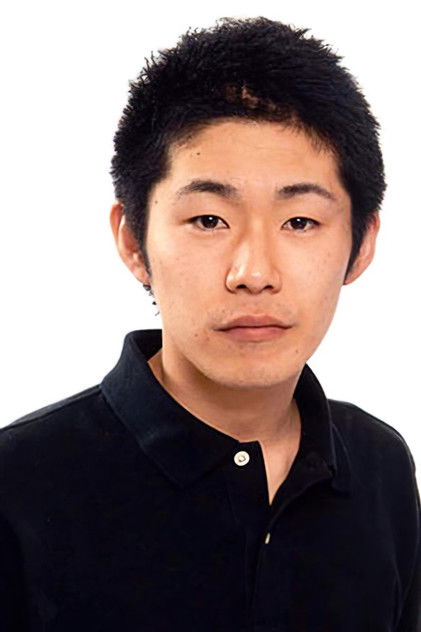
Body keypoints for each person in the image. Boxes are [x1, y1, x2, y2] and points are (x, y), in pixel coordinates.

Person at [1, 16, 419, 631]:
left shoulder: (381, 465)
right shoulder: (18, 487)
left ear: (361, 245)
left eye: (300, 222)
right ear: (133, 240)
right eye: (208, 220)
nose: (254, 273)